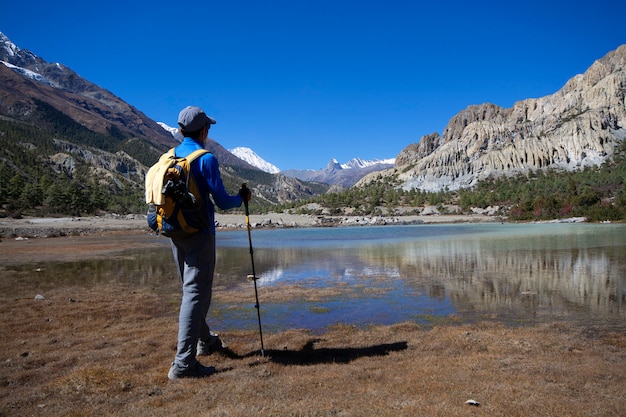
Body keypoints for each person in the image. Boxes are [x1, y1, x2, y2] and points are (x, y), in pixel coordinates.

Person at [167, 105, 251, 380]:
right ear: (203, 130)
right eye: (208, 128)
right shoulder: (205, 159)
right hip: (200, 234)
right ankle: (183, 365)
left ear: (180, 130)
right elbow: (224, 202)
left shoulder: (170, 156)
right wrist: (243, 198)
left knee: (191, 291)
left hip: (175, 231)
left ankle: (206, 341)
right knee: (195, 294)